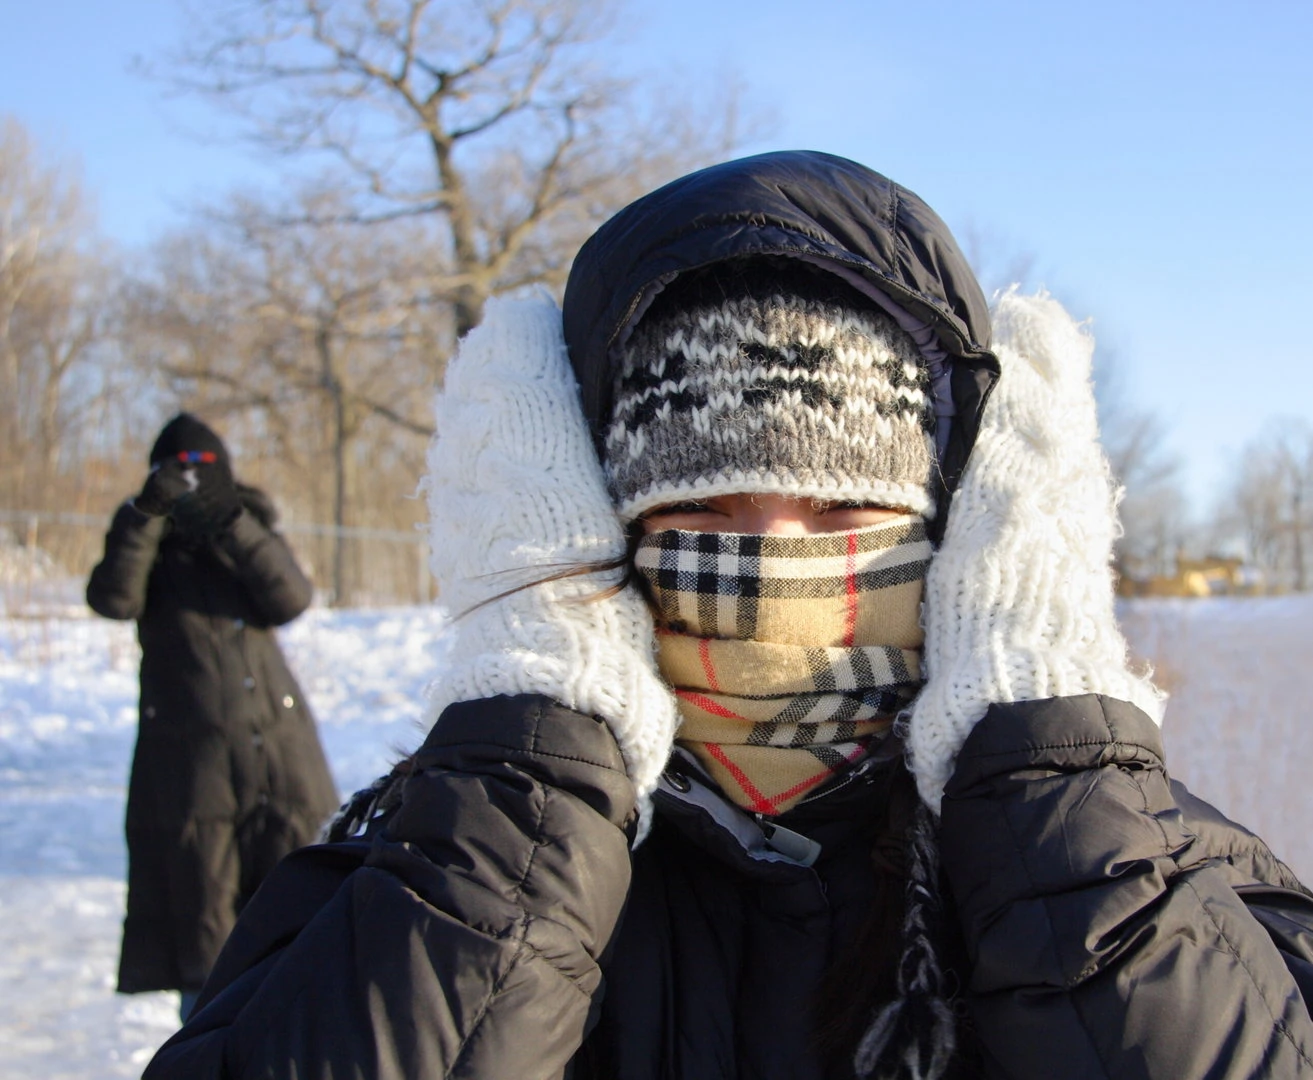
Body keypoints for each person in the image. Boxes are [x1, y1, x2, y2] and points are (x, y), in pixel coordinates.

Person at [144, 154, 1313, 1078]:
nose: (772, 559)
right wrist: (535, 750)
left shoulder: (1146, 866)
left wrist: (1042, 759)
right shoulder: (435, 864)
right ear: (593, 531)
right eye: (699, 504)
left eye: (848, 506)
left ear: (967, 533)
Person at [87, 413, 339, 1020]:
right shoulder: (150, 548)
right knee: (207, 953)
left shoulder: (248, 527)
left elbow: (290, 598)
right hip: (189, 779)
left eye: (204, 470)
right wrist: (146, 514)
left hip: (277, 764)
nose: (191, 482)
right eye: (178, 471)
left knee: (298, 938)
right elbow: (112, 598)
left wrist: (231, 521)